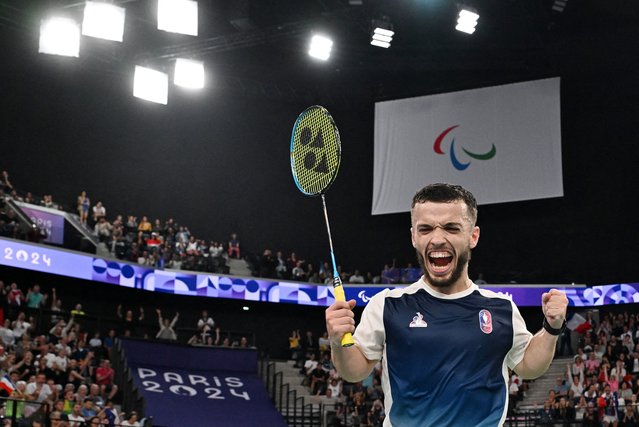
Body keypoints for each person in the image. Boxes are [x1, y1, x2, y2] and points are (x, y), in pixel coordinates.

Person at [325, 183, 569, 426]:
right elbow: (354, 371)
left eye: (451, 228)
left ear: (473, 236)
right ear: (413, 237)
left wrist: (551, 328)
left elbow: (528, 366)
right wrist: (338, 341)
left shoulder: (501, 308)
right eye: (425, 229)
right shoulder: (387, 305)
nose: (437, 238)